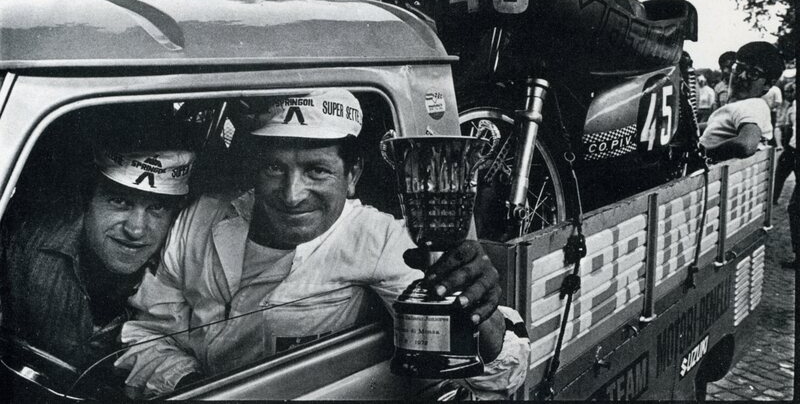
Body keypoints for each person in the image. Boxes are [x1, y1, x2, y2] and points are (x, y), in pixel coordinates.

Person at [114, 89, 530, 399]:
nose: (292, 193)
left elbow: (496, 377)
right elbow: (147, 334)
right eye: (275, 168)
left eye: (316, 171)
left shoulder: (380, 239)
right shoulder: (201, 219)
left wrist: (481, 316)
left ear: (352, 175)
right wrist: (193, 388)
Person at [0, 127, 195, 370]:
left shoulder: (182, 279)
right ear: (86, 198)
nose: (136, 230)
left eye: (157, 208)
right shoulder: (24, 250)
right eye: (120, 201)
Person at [700, 41, 785, 162]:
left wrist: (702, 154)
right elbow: (715, 126)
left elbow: (747, 144)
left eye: (753, 74)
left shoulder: (753, 105)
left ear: (767, 85)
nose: (742, 76)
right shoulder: (742, 106)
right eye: (739, 68)